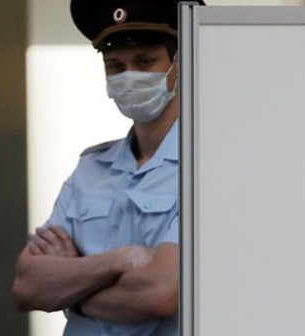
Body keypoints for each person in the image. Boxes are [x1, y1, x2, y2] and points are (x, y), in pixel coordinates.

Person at [12, 0, 203, 334]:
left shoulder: (204, 167)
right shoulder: (90, 169)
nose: (129, 75)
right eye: (115, 66)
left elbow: (158, 294)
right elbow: (28, 286)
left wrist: (72, 290)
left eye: (145, 61)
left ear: (179, 62)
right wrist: (119, 260)